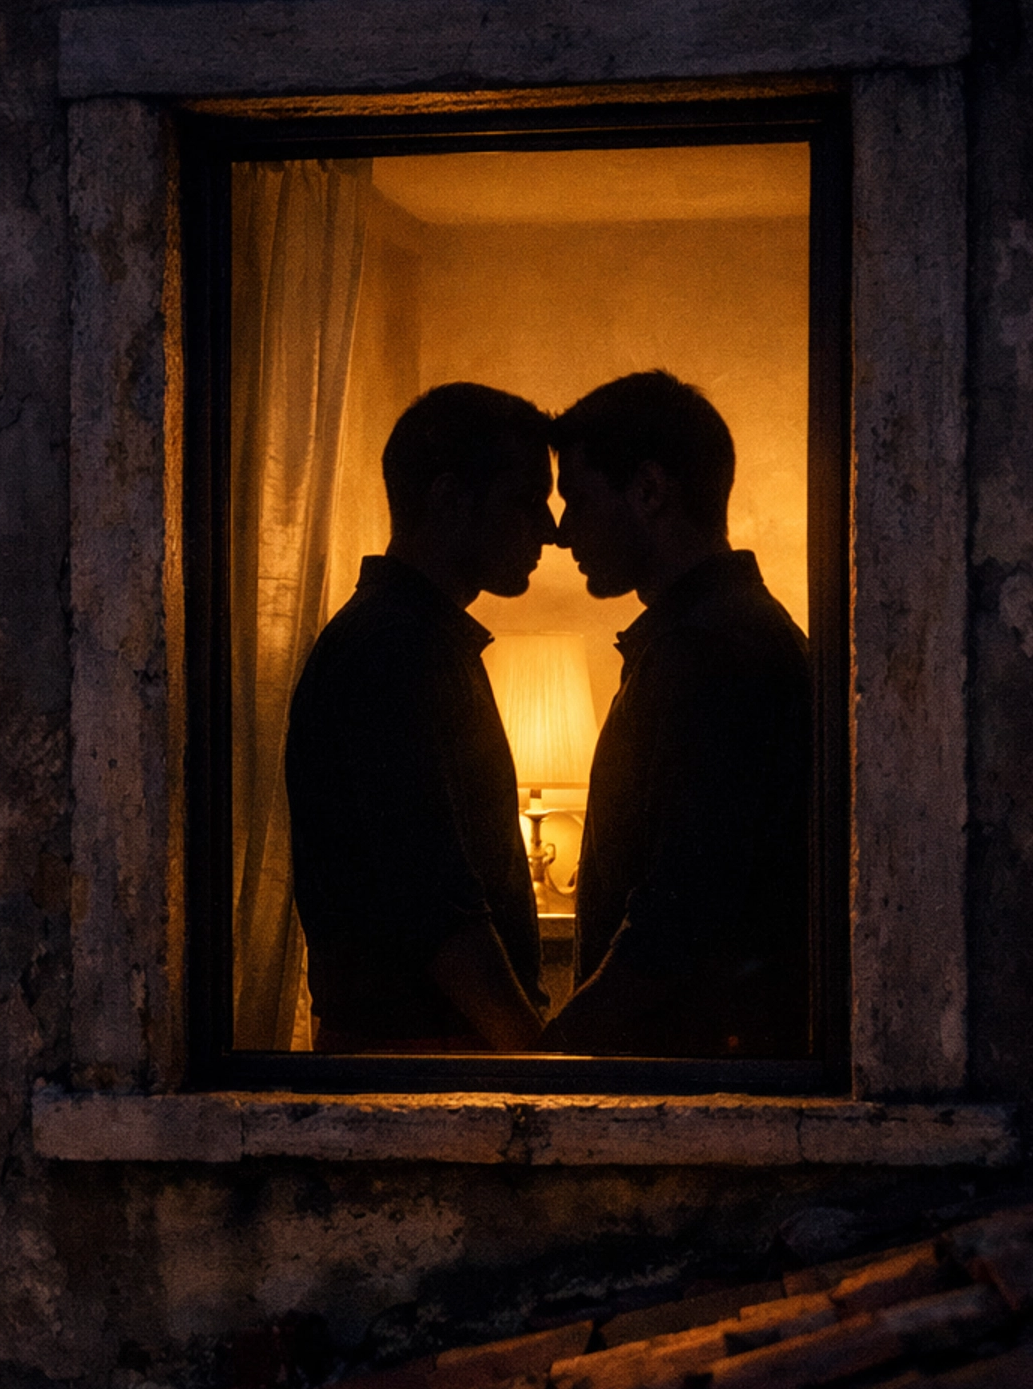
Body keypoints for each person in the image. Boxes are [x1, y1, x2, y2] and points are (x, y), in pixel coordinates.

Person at [542, 370, 811, 1058]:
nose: (562, 532)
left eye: (575, 498)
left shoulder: (711, 650)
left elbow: (680, 913)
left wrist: (554, 1057)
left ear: (650, 492)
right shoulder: (717, 636)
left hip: (699, 1077)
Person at [286, 383, 555, 1052]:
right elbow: (436, 903)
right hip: (420, 1064)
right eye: (527, 500)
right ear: (449, 499)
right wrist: (536, 1059)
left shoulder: (411, 641)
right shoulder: (394, 650)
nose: (549, 529)